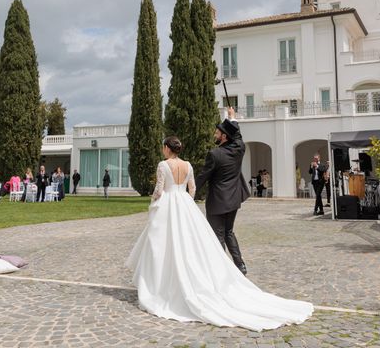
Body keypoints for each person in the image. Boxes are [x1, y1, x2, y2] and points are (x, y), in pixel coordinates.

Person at [127, 136, 313, 331]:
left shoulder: (163, 165)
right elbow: (193, 189)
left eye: (163, 147)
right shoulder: (188, 165)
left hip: (168, 204)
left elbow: (159, 189)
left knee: (162, 244)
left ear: (167, 148)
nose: (163, 150)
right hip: (184, 203)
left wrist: (155, 200)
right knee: (189, 243)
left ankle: (159, 286)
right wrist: (186, 202)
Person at [195, 107, 250, 275]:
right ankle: (240, 265)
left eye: (217, 133)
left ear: (225, 137)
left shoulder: (215, 154)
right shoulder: (239, 149)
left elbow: (203, 177)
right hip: (233, 199)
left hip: (218, 201)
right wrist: (231, 118)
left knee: (217, 235)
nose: (215, 134)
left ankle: (219, 269)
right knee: (229, 232)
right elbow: (238, 136)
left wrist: (187, 193)